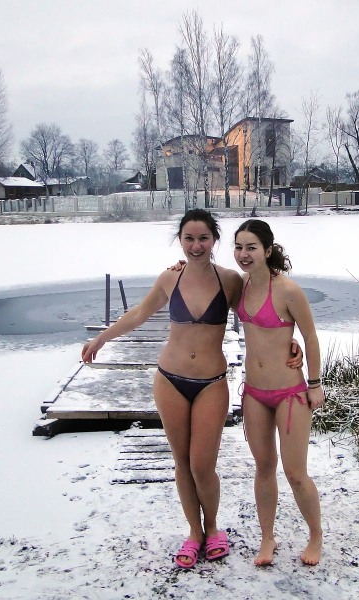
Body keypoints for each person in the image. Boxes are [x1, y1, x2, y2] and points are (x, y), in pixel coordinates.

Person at [81, 209, 243, 569]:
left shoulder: (231, 281)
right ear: (180, 240)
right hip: (170, 379)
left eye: (203, 238)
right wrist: (102, 339)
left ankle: (213, 526)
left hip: (211, 383)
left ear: (214, 239)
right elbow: (138, 313)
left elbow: (260, 316)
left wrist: (288, 346)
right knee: (182, 463)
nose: (196, 245)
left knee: (203, 465)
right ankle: (194, 533)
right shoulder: (170, 279)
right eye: (189, 238)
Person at [233, 219, 325, 567]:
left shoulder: (288, 290)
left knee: (295, 472)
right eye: (239, 247)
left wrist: (314, 384)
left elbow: (311, 336)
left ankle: (315, 534)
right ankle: (267, 538)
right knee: (264, 467)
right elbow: (204, 277)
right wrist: (180, 265)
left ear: (268, 251)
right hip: (255, 393)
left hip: (290, 394)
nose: (244, 254)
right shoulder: (239, 286)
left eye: (251, 247)